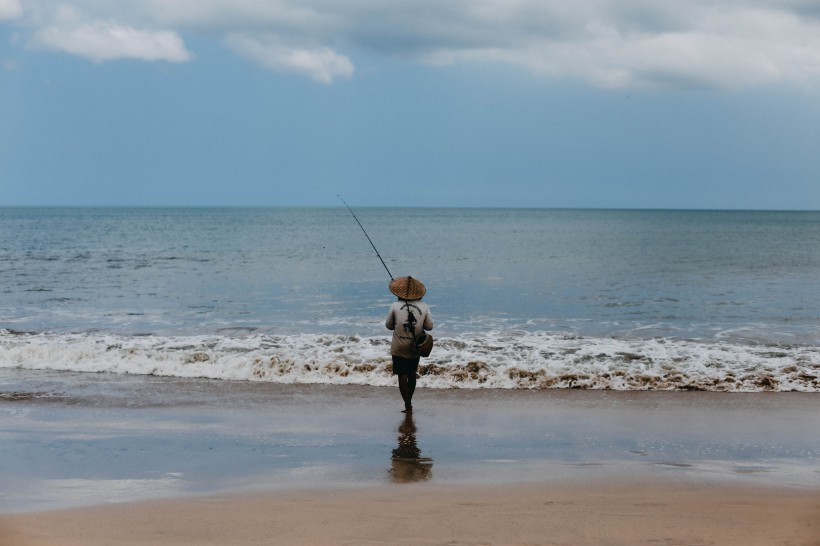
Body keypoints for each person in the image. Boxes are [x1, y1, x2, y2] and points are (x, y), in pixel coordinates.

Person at [385, 276, 433, 413]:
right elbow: (430, 326)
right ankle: (409, 401)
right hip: (414, 346)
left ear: (398, 292)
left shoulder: (394, 306)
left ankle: (407, 404)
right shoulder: (424, 306)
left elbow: (388, 326)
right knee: (412, 374)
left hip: (398, 346)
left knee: (402, 375)